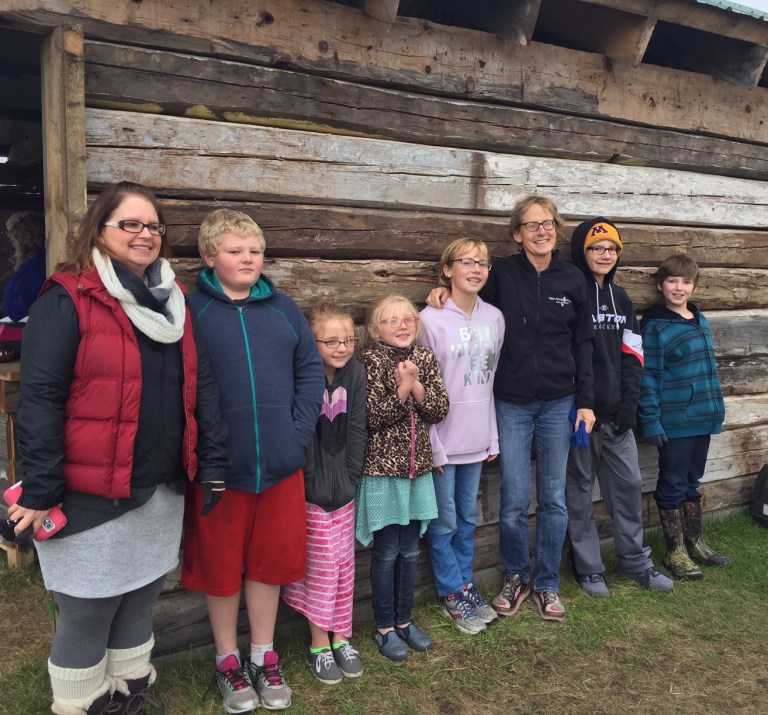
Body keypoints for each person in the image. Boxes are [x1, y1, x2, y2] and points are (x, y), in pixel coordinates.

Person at [9, 182, 229, 715]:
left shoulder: (175, 305)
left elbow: (200, 389)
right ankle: (81, 705)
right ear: (99, 231)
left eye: (153, 226)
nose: (144, 234)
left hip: (159, 487)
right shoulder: (68, 298)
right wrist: (39, 487)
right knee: (87, 611)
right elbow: (40, 399)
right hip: (88, 494)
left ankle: (128, 695)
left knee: (138, 601)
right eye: (129, 224)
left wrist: (213, 465)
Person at [181, 209, 324, 712]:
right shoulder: (193, 312)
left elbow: (309, 373)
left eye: (255, 251)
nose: (247, 259)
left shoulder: (284, 310)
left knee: (266, 564)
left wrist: (296, 433)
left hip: (281, 467)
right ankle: (228, 660)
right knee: (221, 568)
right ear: (209, 257)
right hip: (221, 470)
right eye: (235, 250)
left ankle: (264, 654)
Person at [427, 195, 595, 622]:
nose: (542, 231)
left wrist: (586, 401)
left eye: (549, 224)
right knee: (515, 500)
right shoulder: (501, 272)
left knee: (554, 498)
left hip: (560, 402)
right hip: (512, 403)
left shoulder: (573, 279)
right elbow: (470, 294)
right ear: (517, 234)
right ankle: (516, 576)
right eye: (532, 225)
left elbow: (584, 343)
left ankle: (547, 583)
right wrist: (441, 293)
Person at [566, 219, 674, 597]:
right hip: (582, 417)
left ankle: (634, 561)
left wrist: (630, 404)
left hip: (617, 417)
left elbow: (633, 353)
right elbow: (574, 354)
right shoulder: (572, 293)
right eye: (597, 248)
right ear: (583, 252)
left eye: (611, 249)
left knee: (627, 487)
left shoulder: (622, 298)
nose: (605, 254)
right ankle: (589, 568)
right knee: (578, 491)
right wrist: (586, 404)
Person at [418, 238, 505, 635]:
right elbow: (425, 387)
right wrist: (431, 442)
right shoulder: (430, 319)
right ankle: (452, 592)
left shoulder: (495, 318)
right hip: (441, 441)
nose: (476, 269)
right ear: (447, 270)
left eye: (483, 263)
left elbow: (487, 382)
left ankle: (466, 584)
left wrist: (493, 437)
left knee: (468, 517)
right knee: (444, 522)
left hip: (476, 440)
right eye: (466, 261)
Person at [357, 295, 449, 661]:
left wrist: (417, 385)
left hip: (418, 471)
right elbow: (372, 417)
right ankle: (383, 628)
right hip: (382, 472)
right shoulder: (369, 360)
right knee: (388, 551)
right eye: (391, 321)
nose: (402, 326)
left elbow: (439, 409)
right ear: (374, 329)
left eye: (408, 319)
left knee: (411, 550)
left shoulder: (424, 357)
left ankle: (405, 622)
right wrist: (402, 387)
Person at [281, 305, 367, 684]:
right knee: (322, 566)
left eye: (348, 339)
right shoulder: (303, 379)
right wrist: (311, 486)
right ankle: (319, 643)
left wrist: (350, 476)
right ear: (312, 342)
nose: (341, 347)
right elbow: (303, 437)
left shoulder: (356, 374)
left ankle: (342, 636)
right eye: (331, 340)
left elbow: (358, 429)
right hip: (311, 495)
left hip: (345, 492)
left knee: (345, 565)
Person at [638, 254, 731, 580]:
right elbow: (648, 376)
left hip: (702, 417)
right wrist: (651, 419)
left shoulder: (697, 317)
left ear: (693, 286)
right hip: (675, 422)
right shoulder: (655, 325)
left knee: (692, 482)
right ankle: (675, 552)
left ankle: (696, 543)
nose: (679, 288)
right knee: (673, 485)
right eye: (673, 281)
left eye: (686, 282)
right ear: (661, 284)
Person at [3, 210, 46, 320]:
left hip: (21, 330)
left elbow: (25, 306)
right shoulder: (25, 263)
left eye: (13, 234)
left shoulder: (35, 266)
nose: (9, 236)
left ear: (25, 236)